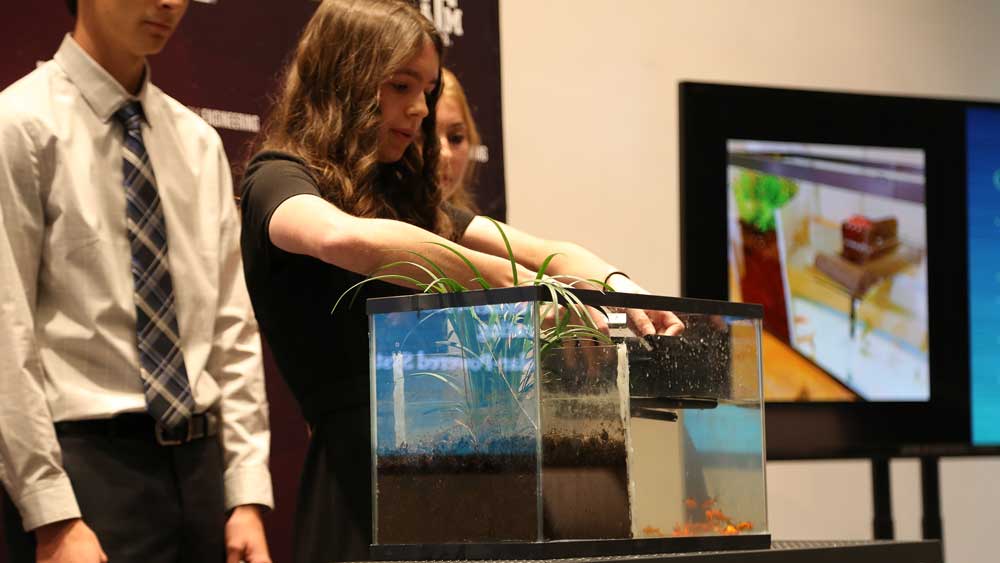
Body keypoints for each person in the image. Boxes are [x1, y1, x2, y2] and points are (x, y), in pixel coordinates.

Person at [238, 1, 683, 561]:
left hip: (462, 483)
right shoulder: (277, 177)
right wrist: (513, 285)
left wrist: (621, 285)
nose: (419, 109)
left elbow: (549, 252)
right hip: (360, 490)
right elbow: (342, 239)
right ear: (343, 79)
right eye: (401, 85)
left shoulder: (404, 199)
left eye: (426, 89)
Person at [0, 1, 273, 562]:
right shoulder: (20, 126)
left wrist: (244, 493)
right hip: (87, 469)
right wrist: (52, 513)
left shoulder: (196, 142)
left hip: (201, 470)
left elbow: (231, 325)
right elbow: (7, 331)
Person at [436, 68, 480, 213]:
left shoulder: (474, 230)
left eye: (455, 138)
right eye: (425, 138)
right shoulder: (367, 227)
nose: (445, 153)